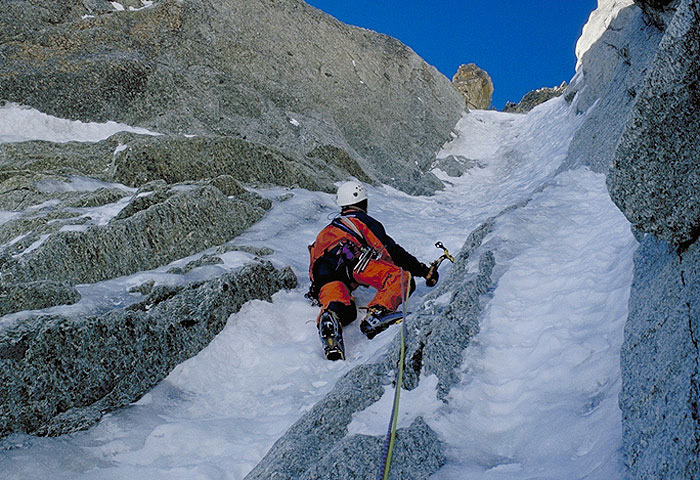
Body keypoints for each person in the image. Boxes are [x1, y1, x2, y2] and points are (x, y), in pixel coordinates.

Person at [307, 180, 439, 360]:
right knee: (401, 278)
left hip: (322, 274)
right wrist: (424, 271)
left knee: (343, 306)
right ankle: (378, 313)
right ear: (364, 202)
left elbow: (315, 261)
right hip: (350, 261)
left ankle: (331, 318)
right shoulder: (362, 221)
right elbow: (392, 252)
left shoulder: (327, 230)